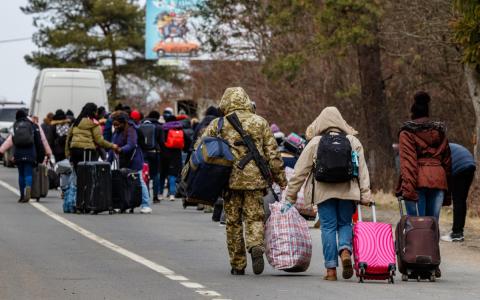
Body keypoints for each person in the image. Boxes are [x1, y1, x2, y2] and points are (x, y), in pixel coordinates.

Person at [201, 87, 287, 276]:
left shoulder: (218, 124)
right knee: (254, 217)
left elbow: (202, 149)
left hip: (228, 180)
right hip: (255, 180)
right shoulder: (260, 122)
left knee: (233, 222)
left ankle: (238, 264)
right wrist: (281, 180)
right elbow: (273, 155)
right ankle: (255, 245)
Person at [285, 106, 372, 281]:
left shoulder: (316, 142)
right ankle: (345, 250)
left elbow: (299, 172)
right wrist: (365, 195)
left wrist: (290, 196)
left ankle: (331, 270)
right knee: (345, 223)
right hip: (348, 191)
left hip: (323, 192)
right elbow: (362, 170)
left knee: (328, 227)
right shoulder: (353, 142)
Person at [396, 91, 451, 221]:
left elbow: (408, 163)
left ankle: (417, 242)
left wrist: (408, 191)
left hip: (417, 181)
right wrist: (448, 191)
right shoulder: (440, 132)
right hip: (439, 179)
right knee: (432, 224)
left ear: (413, 113)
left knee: (417, 226)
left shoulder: (407, 133)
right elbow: (447, 162)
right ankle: (432, 242)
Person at [109, 112, 152, 214]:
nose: (115, 126)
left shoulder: (131, 130)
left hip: (134, 159)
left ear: (123, 122)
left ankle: (146, 205)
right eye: (114, 124)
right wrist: (108, 161)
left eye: (117, 124)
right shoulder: (117, 132)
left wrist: (121, 150)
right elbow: (112, 146)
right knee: (123, 183)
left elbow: (131, 144)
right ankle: (125, 204)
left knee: (139, 181)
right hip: (123, 160)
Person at [0, 110, 47, 202]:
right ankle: (28, 189)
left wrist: (12, 155)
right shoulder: (32, 125)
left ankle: (22, 195)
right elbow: (38, 142)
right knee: (28, 173)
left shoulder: (14, 126)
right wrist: (40, 156)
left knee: (21, 174)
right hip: (30, 152)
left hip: (18, 153)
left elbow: (12, 141)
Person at [65, 103, 118, 171]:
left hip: (74, 151)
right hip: (87, 152)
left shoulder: (76, 122)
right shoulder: (93, 123)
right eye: (96, 111)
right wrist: (112, 146)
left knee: (78, 176)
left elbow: (68, 139)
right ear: (93, 112)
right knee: (88, 176)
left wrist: (67, 154)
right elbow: (99, 141)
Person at [441, 143, 476, 242]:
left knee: (458, 201)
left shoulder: (439, 149)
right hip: (470, 165)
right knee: (461, 200)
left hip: (460, 168)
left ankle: (457, 234)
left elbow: (444, 171)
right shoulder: (447, 146)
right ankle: (458, 232)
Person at [160, 109, 187, 201]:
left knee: (163, 174)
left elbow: (160, 141)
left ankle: (160, 194)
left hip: (164, 154)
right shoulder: (179, 128)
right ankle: (172, 194)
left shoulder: (163, 128)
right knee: (173, 175)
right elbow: (187, 141)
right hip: (176, 154)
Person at [140, 110, 164, 203]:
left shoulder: (140, 126)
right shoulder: (159, 127)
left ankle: (146, 195)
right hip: (155, 153)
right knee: (156, 174)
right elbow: (162, 142)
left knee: (145, 173)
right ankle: (155, 197)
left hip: (143, 153)